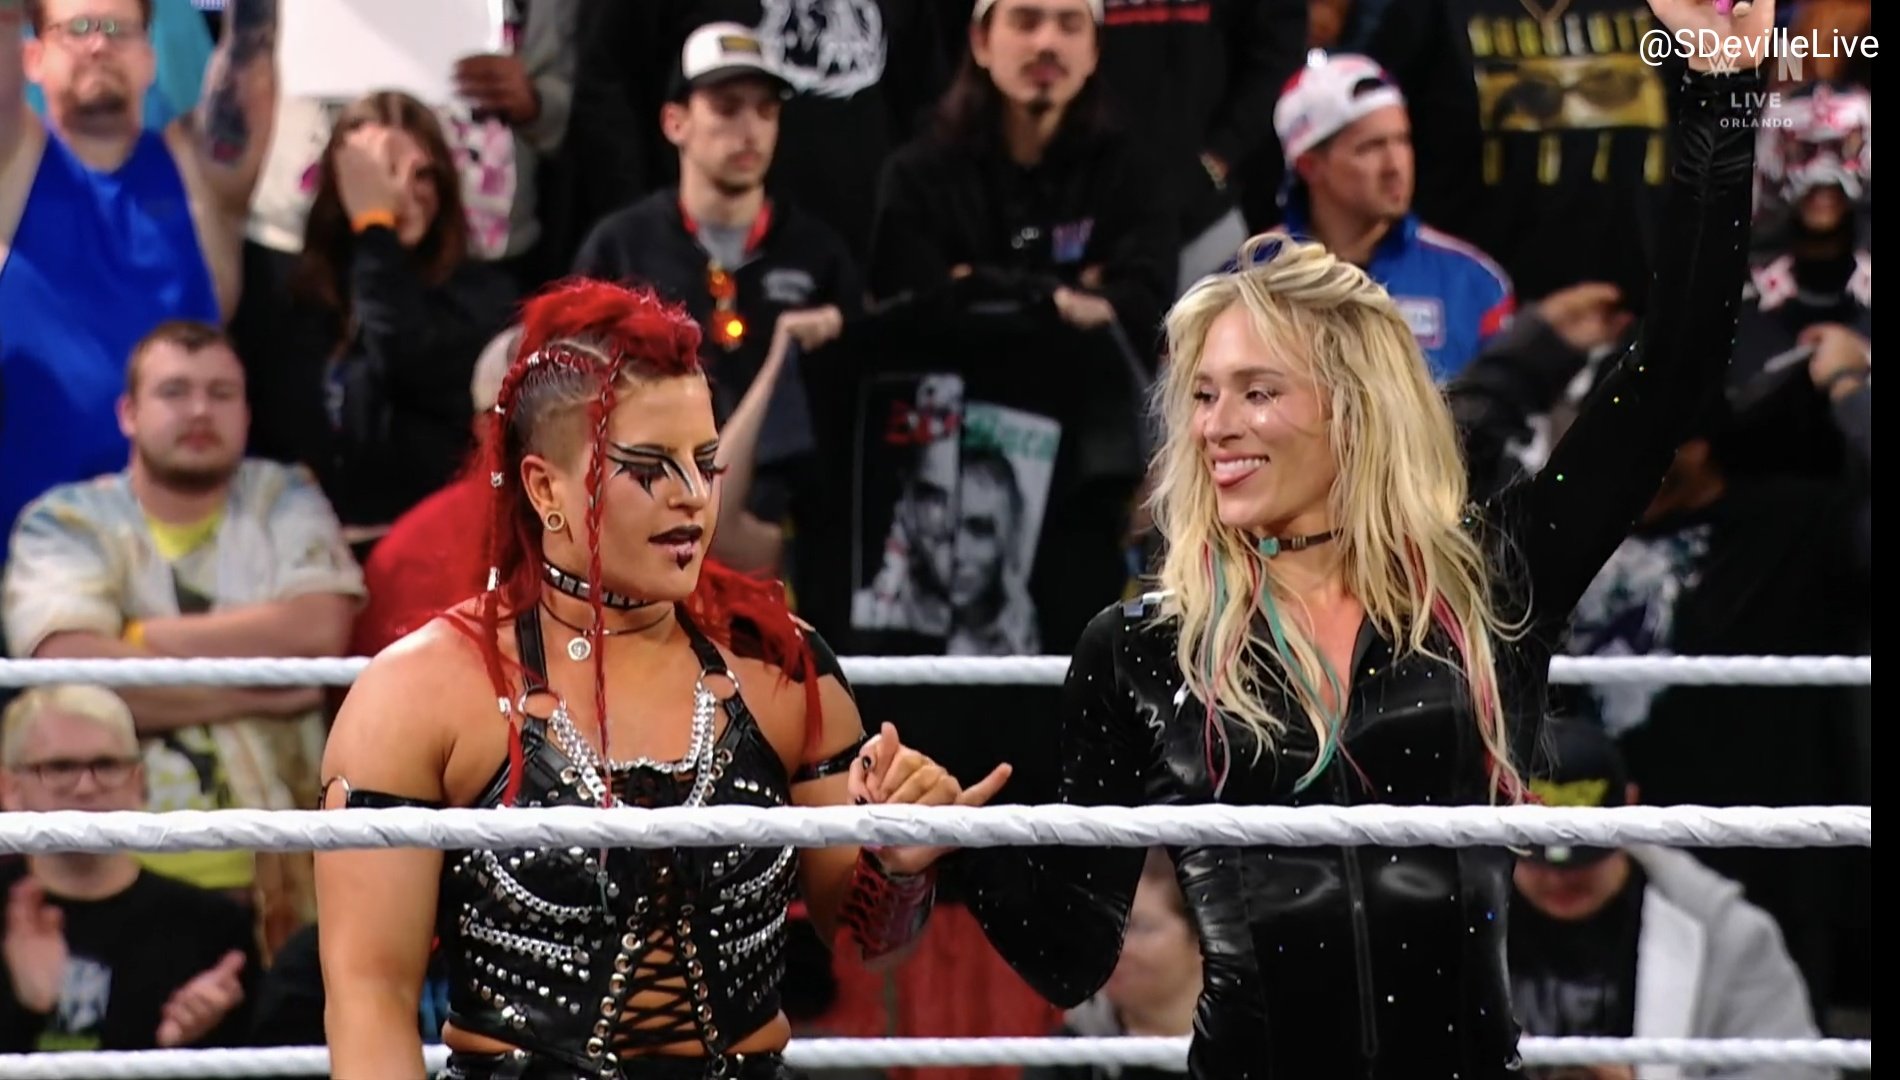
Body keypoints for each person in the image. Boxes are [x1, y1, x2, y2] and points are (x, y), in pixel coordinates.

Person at [938, 1, 1774, 1075]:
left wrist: (1720, 95)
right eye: (1202, 395)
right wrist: (949, 845)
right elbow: (1071, 957)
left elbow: (1671, 371)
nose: (1216, 426)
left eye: (1256, 391)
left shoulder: (1487, 584)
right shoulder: (1141, 646)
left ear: (1351, 409)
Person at [312, 278, 1010, 1080]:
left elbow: (864, 944)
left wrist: (897, 867)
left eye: (705, 463)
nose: (692, 500)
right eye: (650, 468)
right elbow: (368, 996)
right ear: (545, 487)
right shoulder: (419, 693)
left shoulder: (780, 665)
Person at [1508, 717, 1836, 1080]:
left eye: (1584, 856)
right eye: (1533, 856)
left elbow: (1798, 1073)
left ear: (1630, 810)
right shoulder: (1460, 925)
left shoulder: (1726, 936)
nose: (1557, 877)